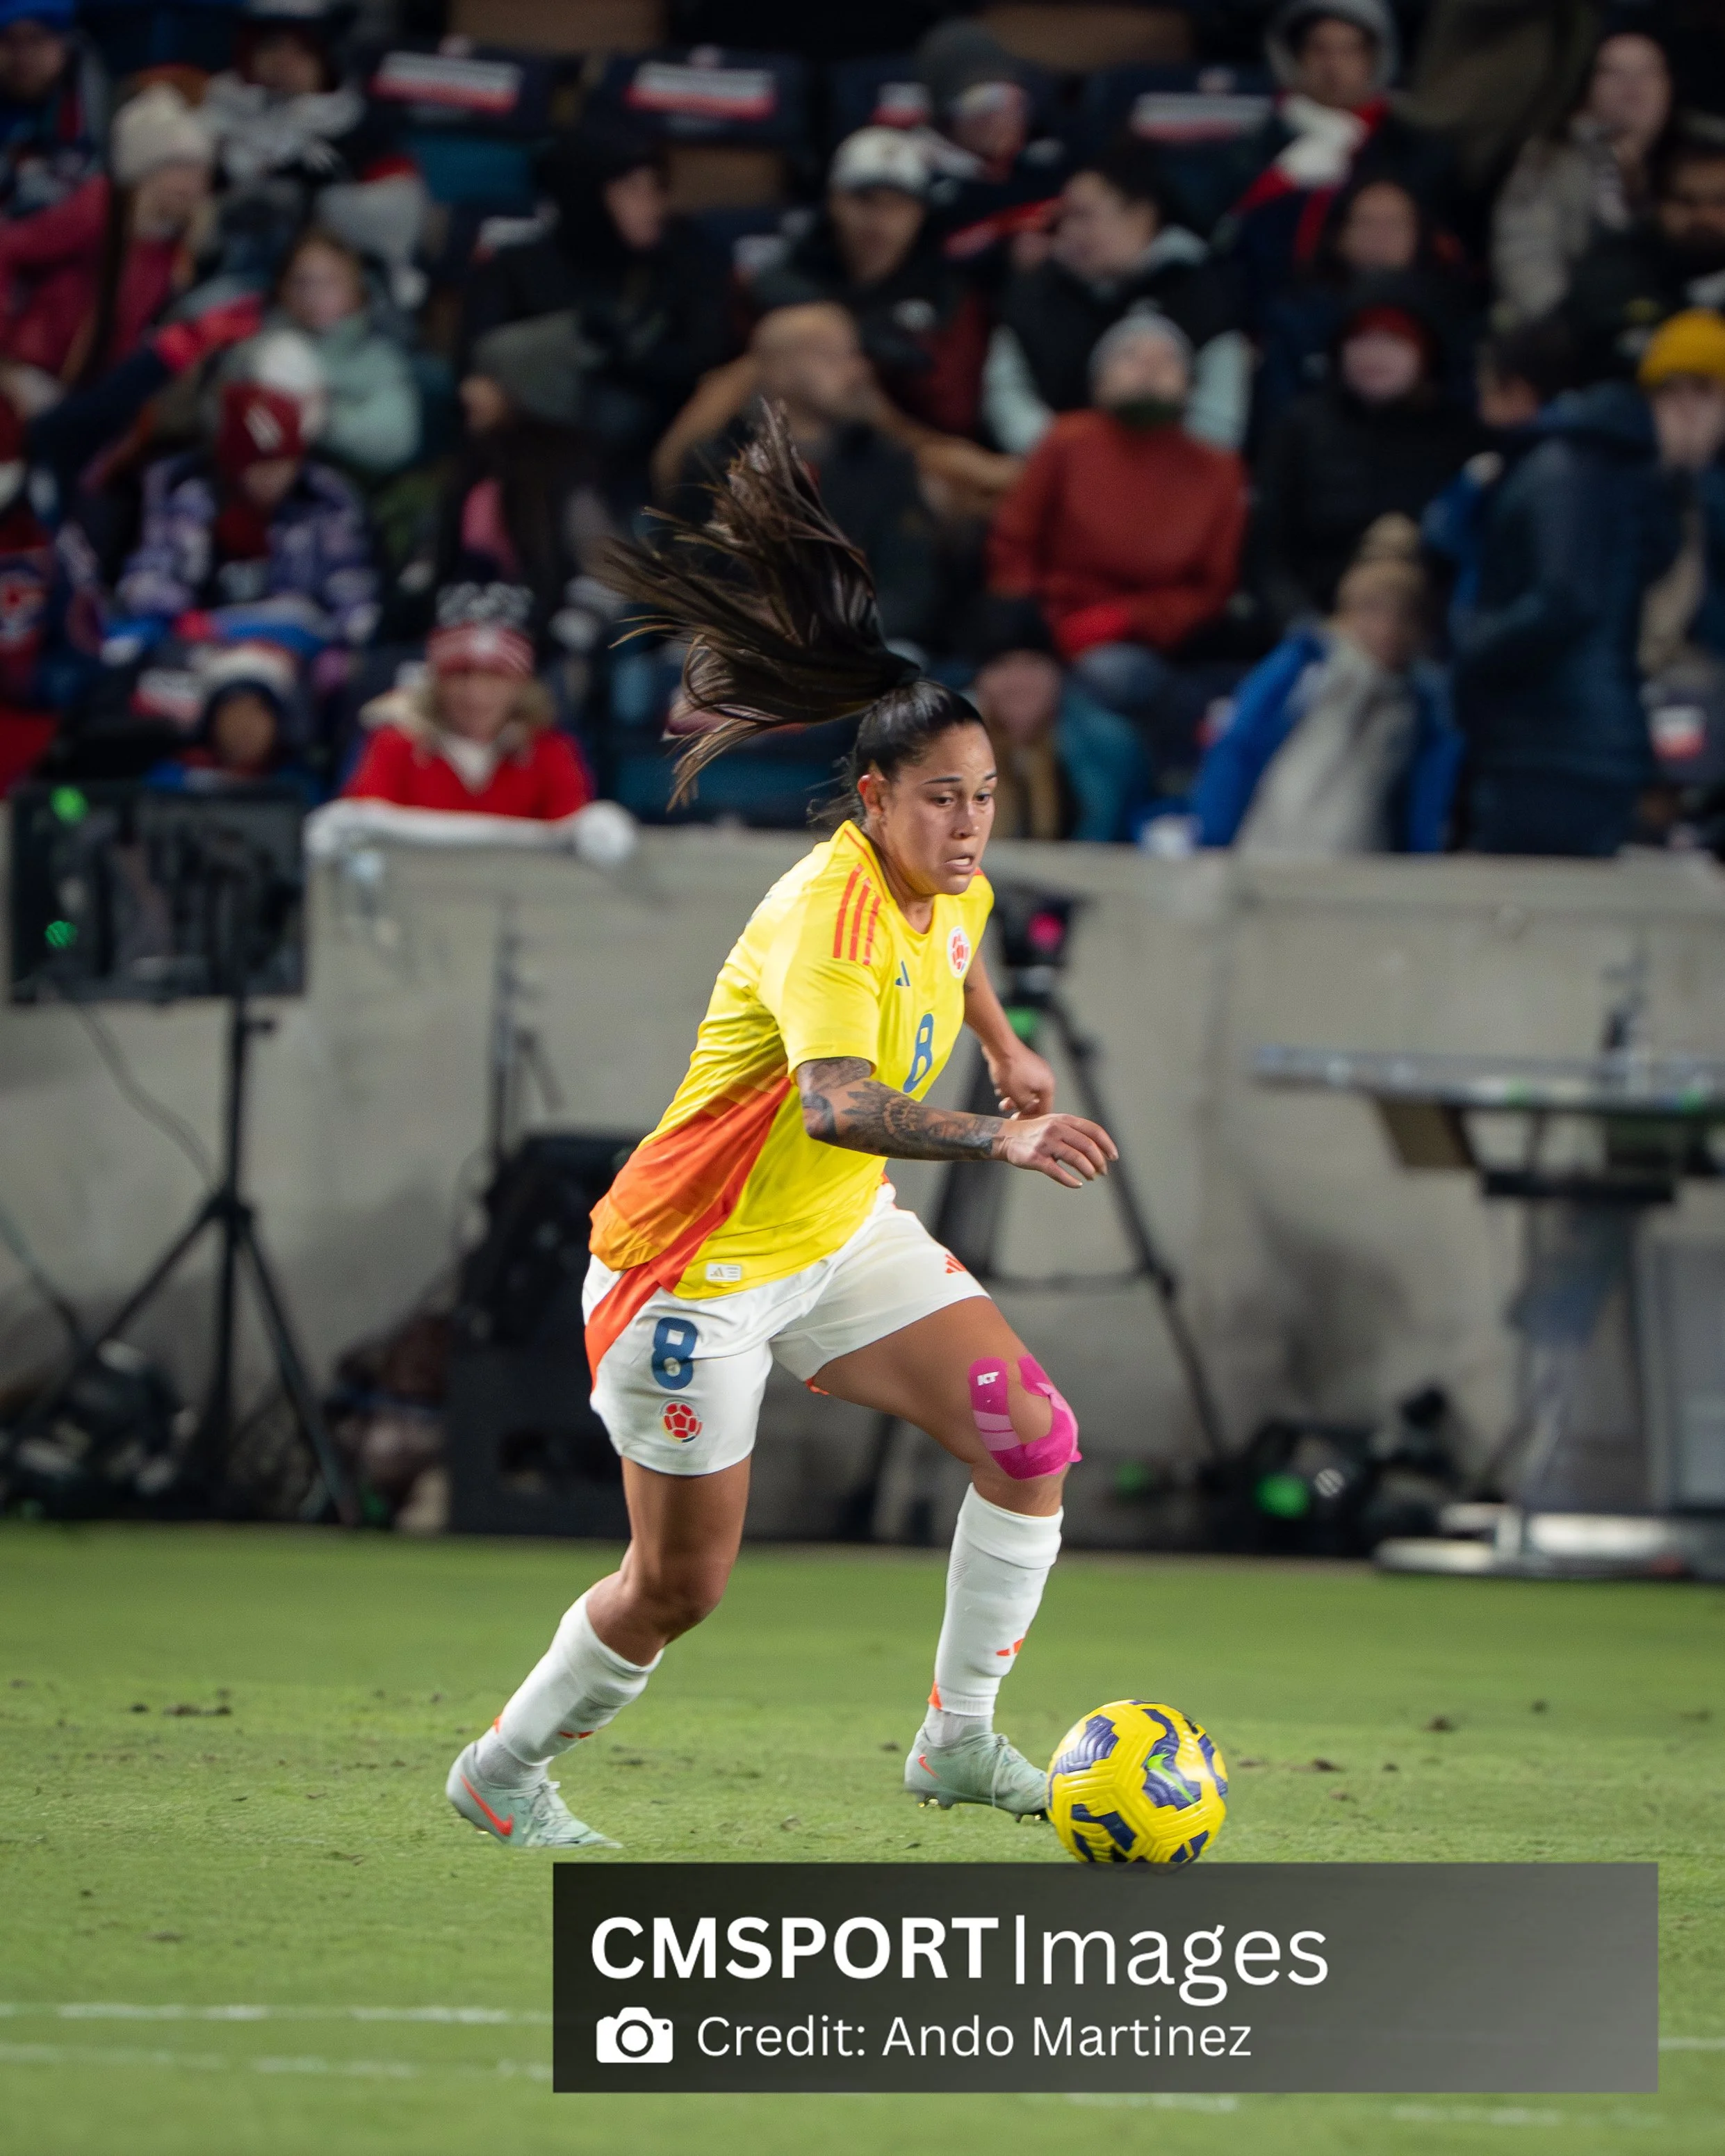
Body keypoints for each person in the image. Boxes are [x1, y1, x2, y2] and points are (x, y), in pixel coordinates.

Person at [445, 407, 1115, 1848]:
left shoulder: (952, 881)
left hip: (832, 1240)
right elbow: (840, 1103)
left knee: (1029, 1439)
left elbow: (964, 945)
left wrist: (1005, 1047)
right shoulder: (822, 911)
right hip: (690, 1269)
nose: (969, 825)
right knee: (678, 1585)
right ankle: (502, 1770)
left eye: (984, 797)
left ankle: (957, 1739)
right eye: (940, 799)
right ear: (870, 798)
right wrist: (993, 1139)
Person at [1455, 310, 1725, 858]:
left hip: (1592, 745)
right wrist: (1472, 653)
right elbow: (1566, 600)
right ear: (1683, 396)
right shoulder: (1578, 467)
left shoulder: (1647, 480)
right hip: (1554, 749)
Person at [987, 309, 1248, 725]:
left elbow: (1212, 587)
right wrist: (1033, 631)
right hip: (1049, 627)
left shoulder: (1218, 470)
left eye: (1166, 358)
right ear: (1099, 380)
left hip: (1151, 646)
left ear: (1190, 384)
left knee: (1109, 676)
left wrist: (1127, 620)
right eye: (1130, 355)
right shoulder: (1065, 442)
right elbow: (1013, 542)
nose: (1149, 367)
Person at [461, 117, 728, 516]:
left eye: (656, 188)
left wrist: (621, 357)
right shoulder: (519, 267)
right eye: (631, 190)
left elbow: (708, 356)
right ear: (586, 196)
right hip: (536, 442)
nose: (652, 205)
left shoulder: (687, 256)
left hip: (658, 438)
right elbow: (473, 359)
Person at [669, 304, 939, 653]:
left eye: (856, 355)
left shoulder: (886, 463)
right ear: (782, 371)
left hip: (855, 645)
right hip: (740, 643)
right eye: (835, 357)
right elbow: (685, 566)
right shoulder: (716, 462)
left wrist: (832, 621)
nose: (859, 370)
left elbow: (912, 584)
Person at [986, 136, 1249, 455]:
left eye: (1084, 216)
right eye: (1063, 217)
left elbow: (1219, 415)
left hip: (1178, 486)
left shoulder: (1201, 289)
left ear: (1142, 215)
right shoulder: (1035, 291)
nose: (1068, 232)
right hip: (1054, 477)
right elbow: (1007, 395)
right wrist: (1070, 465)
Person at [1193, 540, 1459, 853]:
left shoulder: (1421, 703)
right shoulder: (1306, 667)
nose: (1389, 628)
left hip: (1363, 855)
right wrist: (1214, 835)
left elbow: (1424, 796)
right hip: (1272, 840)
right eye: (1375, 610)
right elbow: (1240, 740)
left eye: (1403, 615)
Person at [1257, 280, 1485, 625]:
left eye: (1394, 340)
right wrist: (1306, 628)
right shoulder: (1300, 427)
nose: (1375, 355)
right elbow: (1267, 554)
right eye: (1361, 339)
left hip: (1425, 628)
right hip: (1317, 627)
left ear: (1425, 352)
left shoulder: (1460, 436)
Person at [1221, 0, 1455, 325]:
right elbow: (1226, 230)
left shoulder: (1411, 147)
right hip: (1267, 313)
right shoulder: (1262, 142)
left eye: (1350, 51)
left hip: (1391, 317)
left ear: (1375, 59)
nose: (1333, 66)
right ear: (1295, 56)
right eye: (1319, 50)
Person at [749, 126, 990, 441]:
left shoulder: (947, 295)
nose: (880, 220)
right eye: (865, 200)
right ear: (834, 201)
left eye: (898, 204)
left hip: (914, 455)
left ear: (920, 213)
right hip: (801, 446)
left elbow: (956, 413)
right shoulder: (781, 285)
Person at [117, 373, 378, 644]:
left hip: (293, 651)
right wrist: (185, 618)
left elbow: (355, 601)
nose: (273, 478)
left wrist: (337, 644)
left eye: (284, 464)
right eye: (258, 466)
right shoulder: (190, 496)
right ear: (232, 463)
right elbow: (145, 582)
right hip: (196, 647)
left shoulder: (325, 503)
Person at [0, 82, 212, 384]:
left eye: (198, 171)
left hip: (91, 385)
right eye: (177, 168)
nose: (190, 184)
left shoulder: (177, 242)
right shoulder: (100, 207)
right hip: (36, 367)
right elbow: (9, 246)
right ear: (145, 171)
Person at [1254, 174, 1477, 441]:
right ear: (1339, 236)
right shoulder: (1296, 317)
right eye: (1367, 223)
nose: (1380, 237)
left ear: (1419, 235)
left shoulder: (1454, 317)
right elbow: (1277, 417)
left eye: (1394, 224)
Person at [343, 582, 592, 818]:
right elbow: (364, 828)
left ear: (520, 686)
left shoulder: (550, 754)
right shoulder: (395, 746)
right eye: (461, 674)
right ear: (437, 682)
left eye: (495, 676)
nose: (476, 694)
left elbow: (573, 832)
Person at [1491, 28, 1674, 325]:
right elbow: (1525, 251)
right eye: (1614, 73)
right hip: (1571, 327)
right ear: (1589, 86)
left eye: (1648, 73)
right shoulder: (1549, 157)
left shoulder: (1699, 158)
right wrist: (1564, 325)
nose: (1632, 86)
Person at [220, 230, 419, 479]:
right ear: (283, 289)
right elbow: (215, 419)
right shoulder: (254, 349)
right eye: (302, 282)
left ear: (356, 289)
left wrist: (325, 417)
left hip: (343, 488)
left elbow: (396, 439)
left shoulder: (379, 361)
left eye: (330, 282)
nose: (314, 295)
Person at [963, 598, 1145, 842]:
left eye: (1032, 664)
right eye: (1001, 666)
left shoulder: (1108, 745)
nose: (1019, 682)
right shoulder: (947, 748)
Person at [1562, 125, 1725, 379]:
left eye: (1721, 202)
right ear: (1658, 205)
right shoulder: (1612, 272)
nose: (1705, 217)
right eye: (1686, 201)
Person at [0, 0, 106, 220]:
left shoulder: (92, 105)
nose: (23, 55)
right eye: (9, 40)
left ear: (63, 42)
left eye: (36, 39)